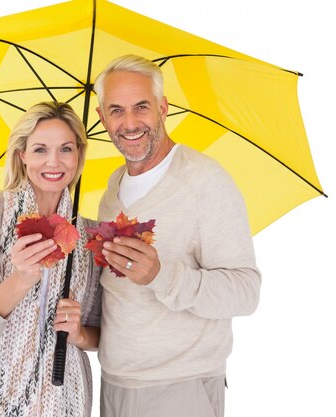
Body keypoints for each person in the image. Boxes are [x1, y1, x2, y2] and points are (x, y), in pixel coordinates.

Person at [93, 54, 261, 417]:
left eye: (141, 107)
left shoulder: (204, 180)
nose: (130, 122)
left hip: (180, 389)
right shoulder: (112, 190)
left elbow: (246, 292)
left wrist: (161, 275)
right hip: (115, 384)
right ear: (101, 116)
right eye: (117, 110)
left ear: (163, 107)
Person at [0, 102, 102, 417]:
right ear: (22, 155)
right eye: (40, 149)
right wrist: (21, 278)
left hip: (65, 399)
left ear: (79, 156)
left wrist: (80, 334)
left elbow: (100, 332)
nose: (54, 161)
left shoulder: (89, 235)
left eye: (66, 149)